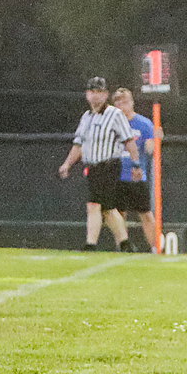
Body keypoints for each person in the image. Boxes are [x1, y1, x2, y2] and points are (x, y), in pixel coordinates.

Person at [60, 77, 139, 252]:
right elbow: (78, 144)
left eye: (99, 92)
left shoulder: (114, 114)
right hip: (93, 168)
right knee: (107, 209)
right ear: (87, 94)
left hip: (108, 165)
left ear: (105, 95)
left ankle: (91, 245)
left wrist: (136, 164)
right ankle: (125, 243)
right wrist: (67, 164)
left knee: (94, 205)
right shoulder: (86, 117)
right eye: (92, 91)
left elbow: (128, 140)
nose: (95, 95)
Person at [112, 87, 160, 252]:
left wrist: (155, 139)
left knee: (145, 213)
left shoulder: (143, 124)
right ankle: (122, 247)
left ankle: (155, 247)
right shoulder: (112, 123)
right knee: (118, 213)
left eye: (125, 102)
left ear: (132, 103)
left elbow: (149, 149)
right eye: (118, 102)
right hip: (116, 174)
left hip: (137, 176)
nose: (122, 106)